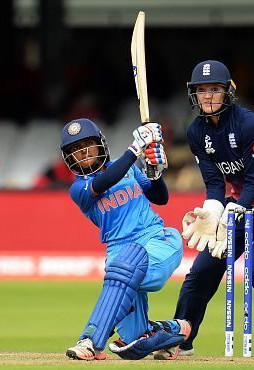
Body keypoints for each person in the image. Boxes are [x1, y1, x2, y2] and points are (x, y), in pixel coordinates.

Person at [155, 60, 254, 359]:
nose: (208, 96)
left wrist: (233, 211)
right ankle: (181, 341)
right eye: (202, 91)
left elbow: (253, 181)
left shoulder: (248, 123)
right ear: (194, 95)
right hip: (240, 204)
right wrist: (213, 211)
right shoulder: (195, 133)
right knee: (202, 270)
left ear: (228, 92)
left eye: (215, 89)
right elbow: (215, 184)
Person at [60, 118, 191, 361]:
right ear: (69, 159)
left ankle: (91, 341)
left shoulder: (129, 169)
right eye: (75, 150)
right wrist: (135, 149)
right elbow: (105, 181)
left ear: (100, 145)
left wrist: (154, 172)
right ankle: (173, 330)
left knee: (123, 267)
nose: (84, 152)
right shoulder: (78, 189)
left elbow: (160, 198)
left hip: (157, 241)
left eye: (88, 144)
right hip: (120, 253)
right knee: (134, 340)